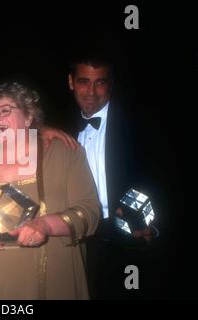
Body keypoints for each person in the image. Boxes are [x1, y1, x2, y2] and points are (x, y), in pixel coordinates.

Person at [0, 81, 100, 299]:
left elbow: (89, 212)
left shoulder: (65, 154)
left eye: (5, 110)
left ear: (29, 116)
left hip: (52, 279)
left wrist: (45, 225)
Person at [67, 55, 158, 299]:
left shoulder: (138, 121)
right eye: (84, 81)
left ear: (111, 85)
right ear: (71, 82)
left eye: (100, 83)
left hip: (126, 233)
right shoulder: (60, 126)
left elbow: (161, 177)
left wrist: (150, 224)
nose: (91, 92)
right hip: (78, 235)